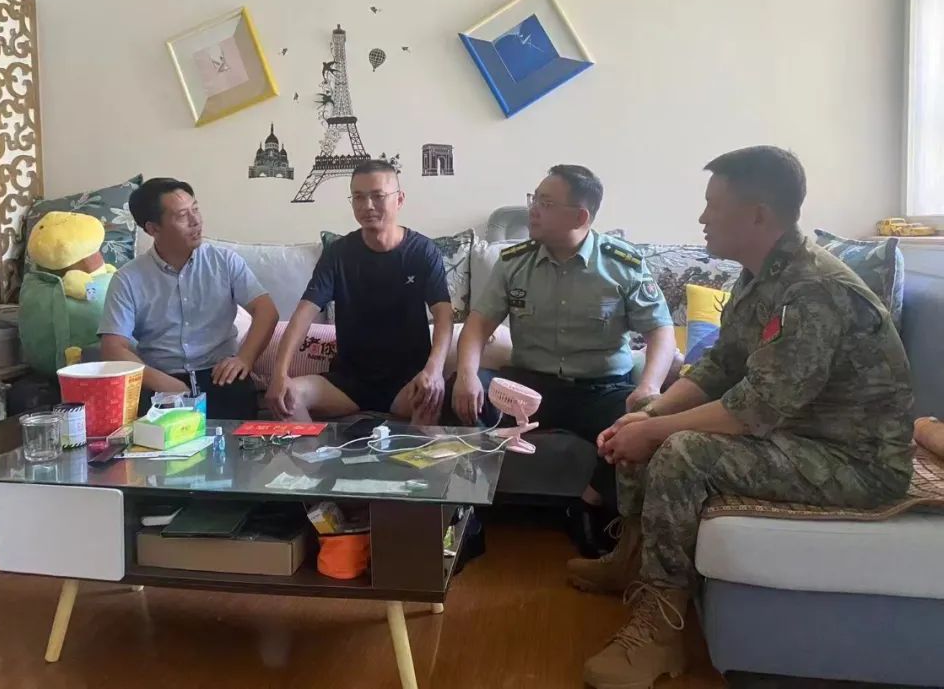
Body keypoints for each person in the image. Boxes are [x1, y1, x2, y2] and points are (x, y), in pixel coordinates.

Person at [573, 146, 914, 689]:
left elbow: (756, 408)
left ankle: (661, 631)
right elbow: (722, 366)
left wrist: (659, 430)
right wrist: (652, 413)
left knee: (681, 450)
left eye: (714, 204)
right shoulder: (759, 278)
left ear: (758, 215)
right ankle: (630, 559)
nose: (702, 217)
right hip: (798, 434)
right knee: (643, 416)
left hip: (856, 461)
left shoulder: (813, 289)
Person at [452, 165, 676, 556]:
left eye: (545, 203)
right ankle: (466, 515)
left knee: (643, 424)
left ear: (579, 216)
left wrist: (649, 387)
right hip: (527, 388)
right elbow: (477, 325)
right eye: (533, 199)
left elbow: (661, 330)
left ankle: (588, 506)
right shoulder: (514, 261)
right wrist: (467, 374)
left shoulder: (622, 264)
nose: (533, 210)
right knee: (457, 395)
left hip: (601, 388)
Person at [267, 159, 453, 422]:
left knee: (430, 399)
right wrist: (280, 373)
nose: (367, 205)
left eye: (378, 196)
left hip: (407, 382)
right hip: (349, 382)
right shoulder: (338, 254)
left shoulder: (422, 251)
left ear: (399, 199)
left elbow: (444, 316)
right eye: (358, 197)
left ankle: (413, 449)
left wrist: (434, 370)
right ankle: (313, 451)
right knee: (289, 395)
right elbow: (303, 314)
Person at [98, 177, 278, 419]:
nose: (196, 221)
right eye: (183, 215)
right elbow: (113, 349)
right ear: (153, 229)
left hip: (221, 375)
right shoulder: (127, 279)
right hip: (159, 379)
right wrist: (163, 383)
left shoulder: (224, 262)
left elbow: (266, 311)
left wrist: (245, 358)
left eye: (196, 209)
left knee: (236, 435)